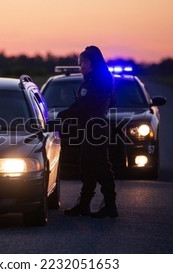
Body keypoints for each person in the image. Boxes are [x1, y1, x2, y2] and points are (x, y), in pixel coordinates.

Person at [58, 45, 118, 218]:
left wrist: (64, 114)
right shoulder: (103, 78)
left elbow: (83, 104)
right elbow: (113, 101)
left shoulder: (94, 80)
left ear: (91, 63)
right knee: (88, 166)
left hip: (94, 127)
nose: (80, 66)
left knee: (100, 167)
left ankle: (110, 206)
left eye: (83, 62)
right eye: (80, 62)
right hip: (96, 125)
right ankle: (84, 205)